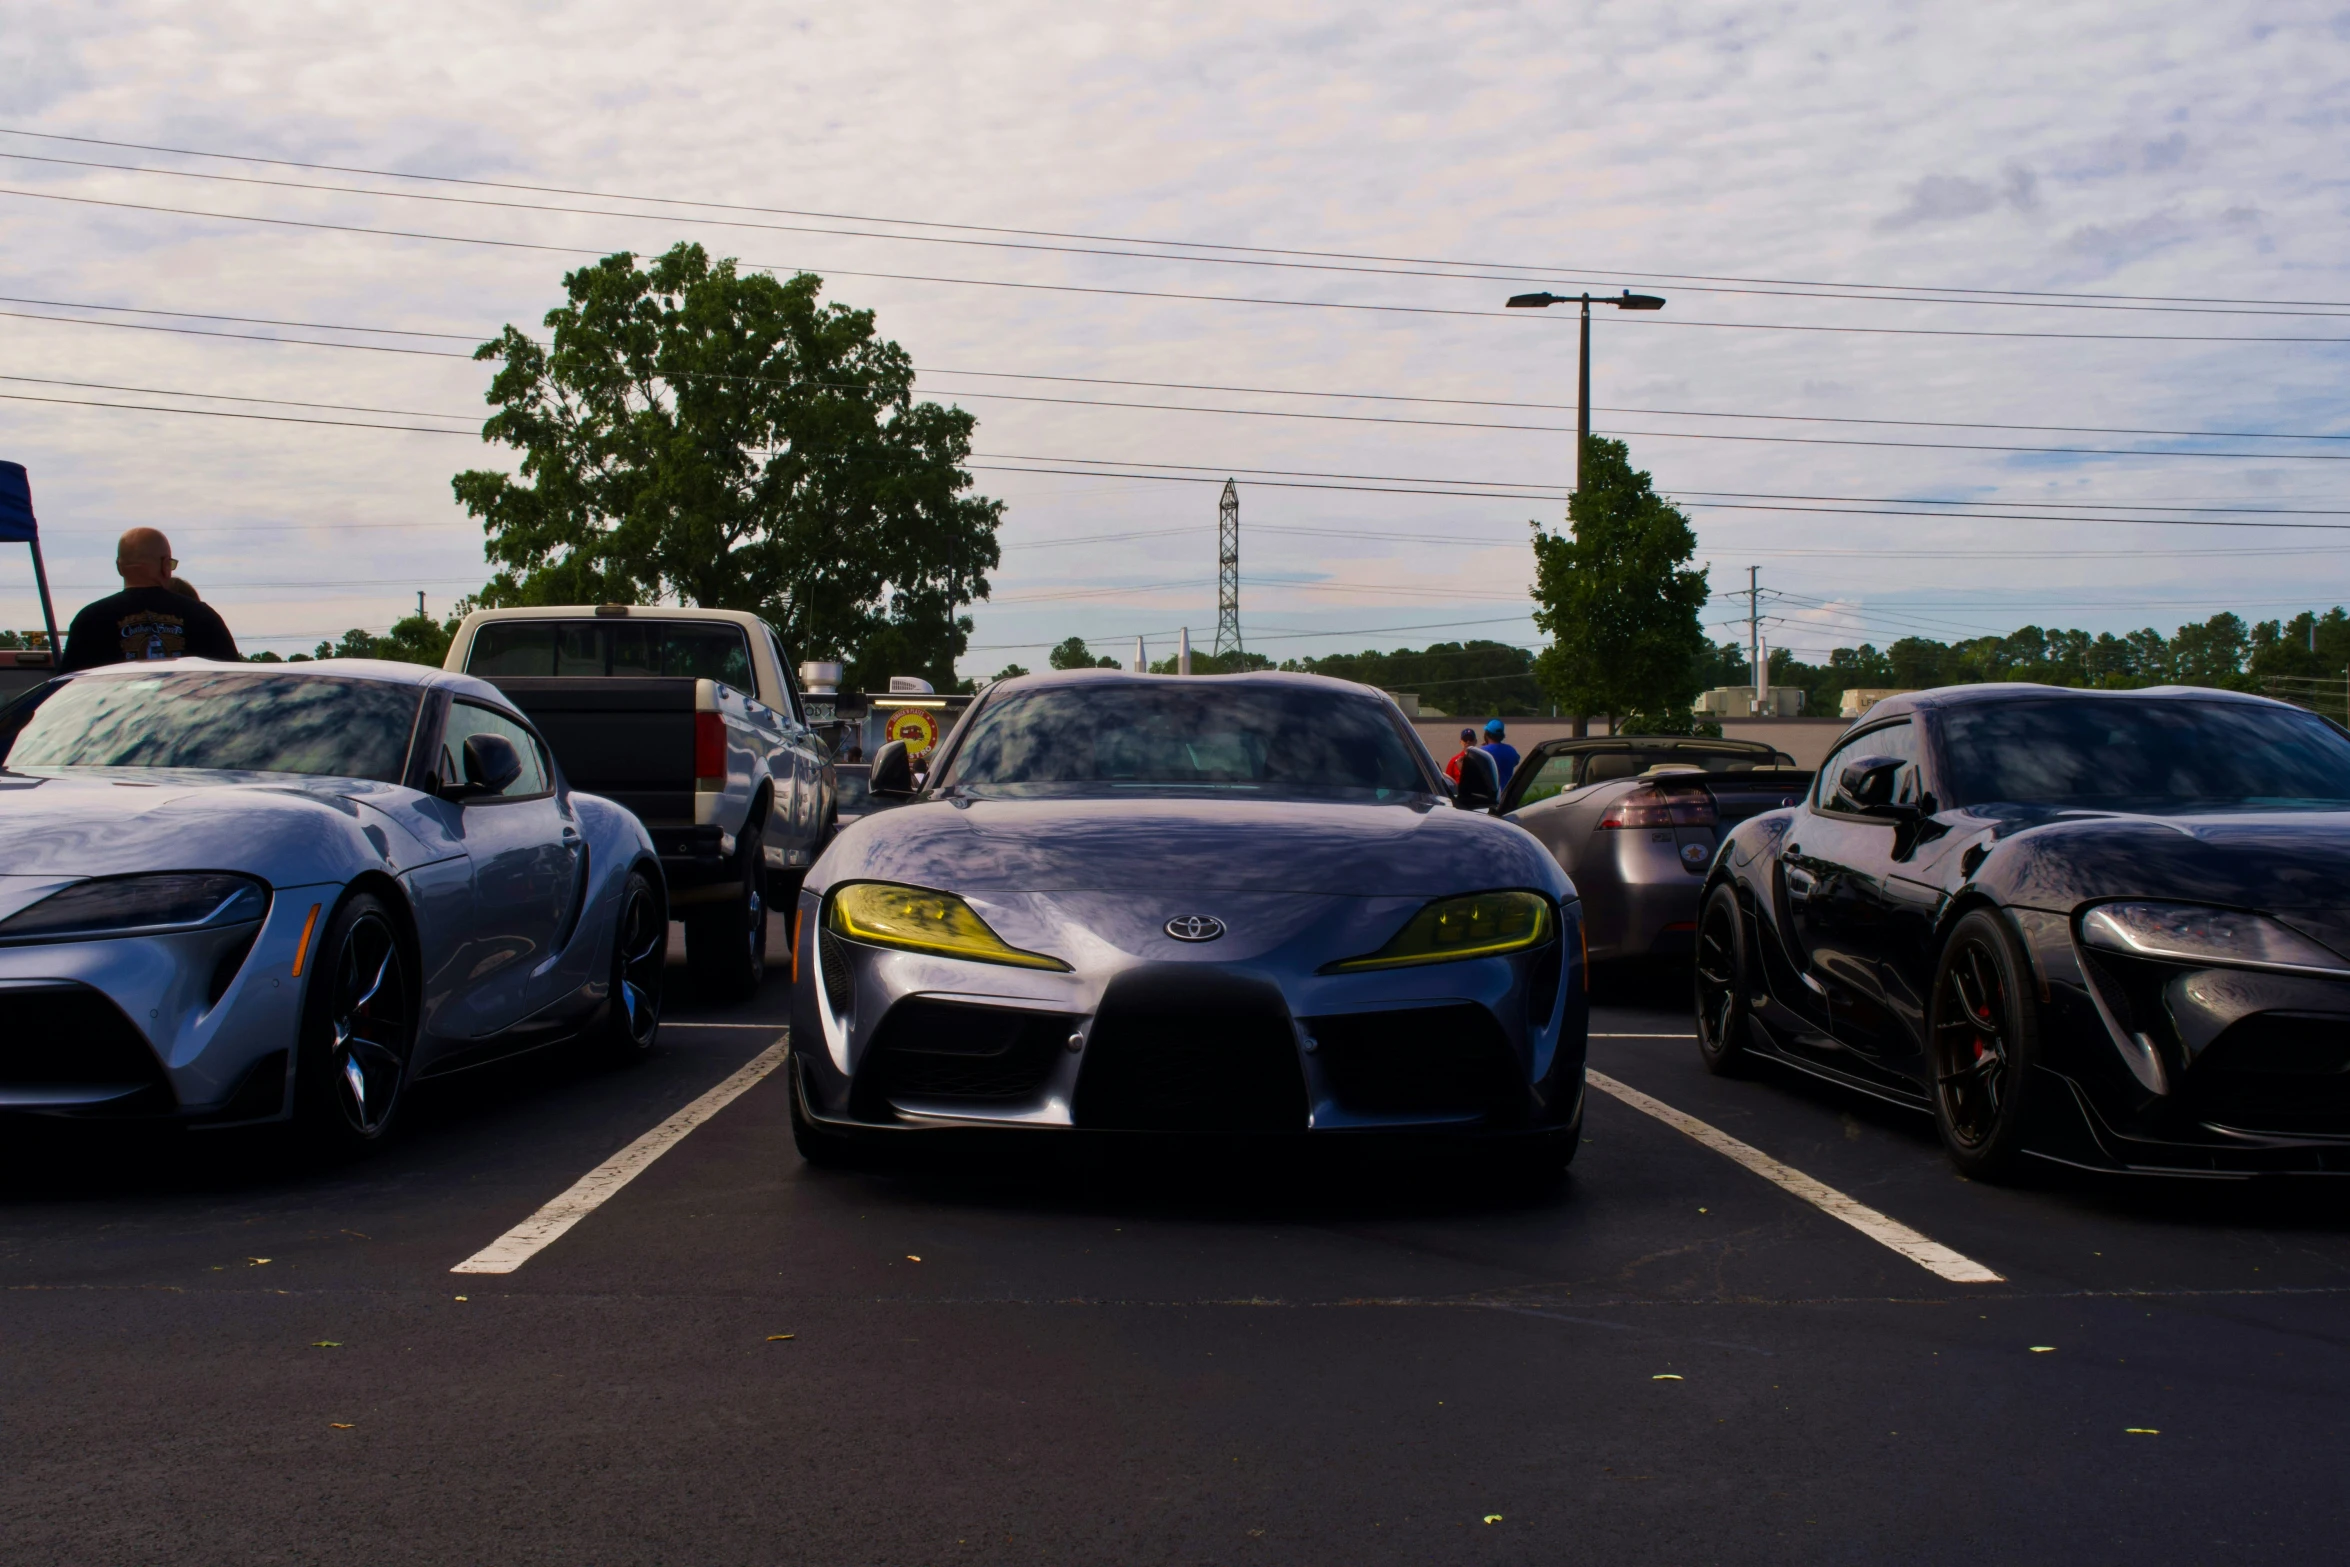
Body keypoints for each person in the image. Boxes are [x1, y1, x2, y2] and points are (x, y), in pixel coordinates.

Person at [59, 528, 240, 672]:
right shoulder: (202, 617)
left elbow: (67, 688)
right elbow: (233, 681)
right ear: (164, 565)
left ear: (119, 567)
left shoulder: (90, 620)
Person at [1480, 718, 1520, 790]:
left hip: (1490, 795)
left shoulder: (1482, 751)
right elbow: (1516, 761)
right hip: (1506, 793)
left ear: (1487, 734)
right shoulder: (1510, 750)